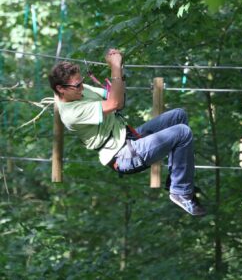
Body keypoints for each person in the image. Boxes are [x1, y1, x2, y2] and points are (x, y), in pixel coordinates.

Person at [48, 48, 206, 216]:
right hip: (122, 155)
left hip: (129, 137)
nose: (81, 87)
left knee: (178, 115)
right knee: (182, 133)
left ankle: (177, 182)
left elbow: (118, 100)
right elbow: (114, 103)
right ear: (61, 89)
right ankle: (180, 191)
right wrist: (115, 67)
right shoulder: (71, 113)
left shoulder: (77, 89)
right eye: (77, 85)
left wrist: (119, 68)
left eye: (81, 82)